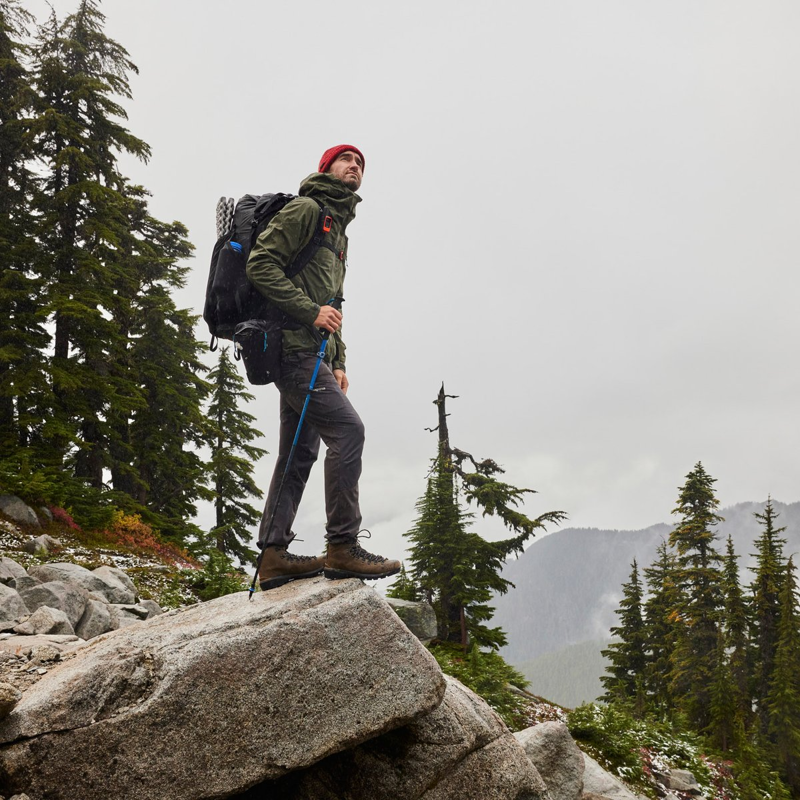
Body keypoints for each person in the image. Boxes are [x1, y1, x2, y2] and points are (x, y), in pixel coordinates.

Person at [246, 145, 400, 590]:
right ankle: (343, 547)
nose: (355, 166)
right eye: (346, 160)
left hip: (312, 355)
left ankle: (273, 556)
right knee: (349, 433)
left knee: (298, 453)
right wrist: (310, 313)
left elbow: (332, 305)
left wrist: (338, 360)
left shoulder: (338, 231)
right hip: (292, 351)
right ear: (326, 168)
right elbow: (261, 264)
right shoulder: (307, 209)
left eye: (361, 164)